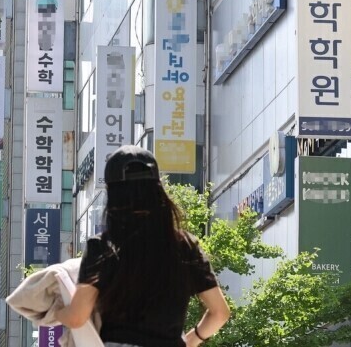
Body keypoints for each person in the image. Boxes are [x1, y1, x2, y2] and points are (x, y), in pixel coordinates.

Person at [55, 145, 230, 347]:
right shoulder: (184, 245)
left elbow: (77, 316)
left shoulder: (103, 247)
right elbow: (220, 313)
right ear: (158, 190)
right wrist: (191, 340)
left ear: (113, 194)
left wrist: (58, 312)